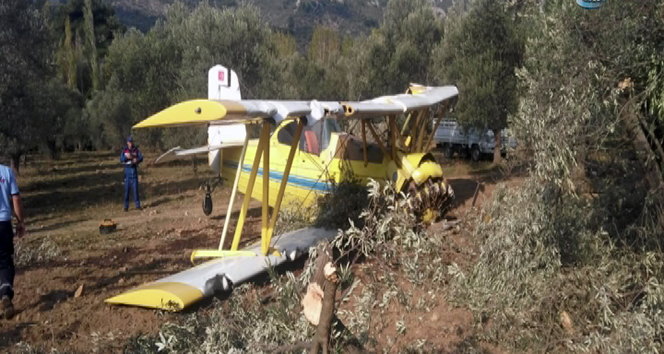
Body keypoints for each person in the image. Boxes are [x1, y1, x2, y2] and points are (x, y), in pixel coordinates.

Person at [0, 163, 25, 320]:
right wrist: (20, 222)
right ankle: (5, 293)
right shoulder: (6, 172)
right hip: (3, 224)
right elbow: (15, 198)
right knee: (6, 262)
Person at [120, 135, 143, 211]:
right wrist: (127, 157)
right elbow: (121, 159)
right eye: (129, 142)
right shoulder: (124, 150)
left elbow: (141, 157)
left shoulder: (136, 150)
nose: (130, 143)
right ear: (127, 142)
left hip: (134, 170)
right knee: (127, 190)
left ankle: (138, 205)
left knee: (135, 189)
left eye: (131, 142)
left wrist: (137, 160)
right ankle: (126, 206)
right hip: (127, 171)